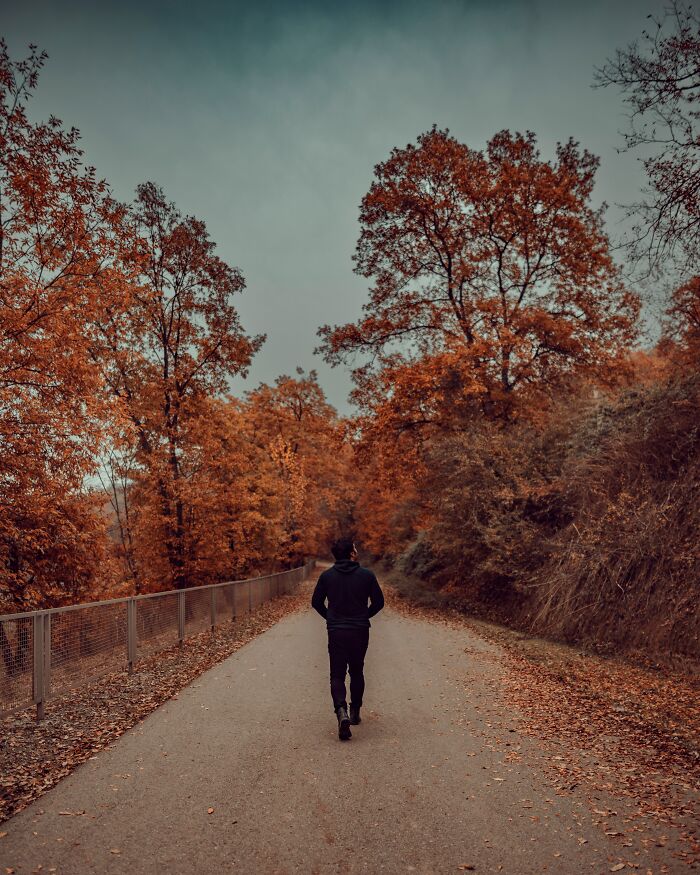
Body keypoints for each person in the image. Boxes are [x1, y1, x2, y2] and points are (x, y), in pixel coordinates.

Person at [311, 537, 384, 741]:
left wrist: (331, 618)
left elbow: (316, 602)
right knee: (357, 671)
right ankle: (355, 712)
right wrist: (364, 616)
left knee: (337, 674)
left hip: (336, 631)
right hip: (360, 630)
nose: (356, 550)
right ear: (352, 553)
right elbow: (379, 602)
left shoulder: (327, 576)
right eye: (355, 548)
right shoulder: (367, 575)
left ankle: (341, 711)